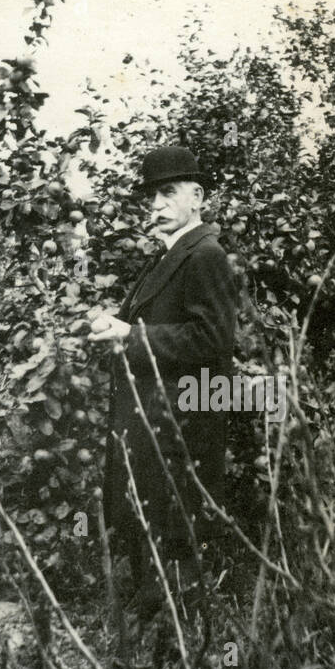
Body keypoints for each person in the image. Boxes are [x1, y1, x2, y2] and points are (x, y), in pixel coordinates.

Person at [91, 144, 237, 620]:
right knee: (148, 512)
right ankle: (153, 611)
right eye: (151, 196)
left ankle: (179, 635)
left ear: (197, 196)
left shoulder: (206, 255)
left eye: (167, 193)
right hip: (154, 412)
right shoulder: (168, 257)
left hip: (181, 418)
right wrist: (116, 329)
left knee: (174, 519)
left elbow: (214, 339)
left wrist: (133, 336)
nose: (155, 205)